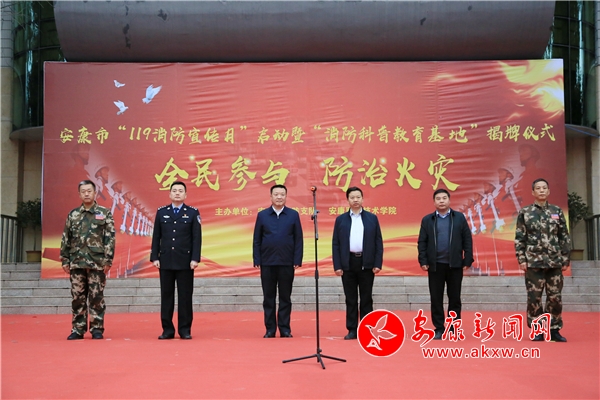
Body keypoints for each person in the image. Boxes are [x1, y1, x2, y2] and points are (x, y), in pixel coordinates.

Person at [514, 178, 570, 342]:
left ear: (549, 191)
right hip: (533, 262)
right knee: (534, 298)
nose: (541, 190)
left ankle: (554, 329)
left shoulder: (556, 211)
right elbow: (520, 238)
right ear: (533, 192)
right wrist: (521, 259)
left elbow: (564, 236)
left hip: (554, 262)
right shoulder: (525, 212)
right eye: (538, 188)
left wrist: (565, 259)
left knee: (555, 298)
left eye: (544, 188)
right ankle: (537, 330)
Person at [61, 180, 116, 340]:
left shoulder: (104, 213)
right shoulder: (73, 214)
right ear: (79, 194)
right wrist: (65, 259)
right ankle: (78, 329)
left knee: (96, 296)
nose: (86, 194)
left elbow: (110, 238)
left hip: (97, 262)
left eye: (89, 191)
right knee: (77, 297)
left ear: (95, 193)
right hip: (77, 261)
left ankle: (97, 328)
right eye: (83, 191)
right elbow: (66, 238)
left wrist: (108, 260)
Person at [417, 188, 473, 340]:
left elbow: (467, 239)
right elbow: (422, 242)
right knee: (436, 298)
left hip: (455, 265)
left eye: (444, 198)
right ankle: (439, 328)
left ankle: (454, 327)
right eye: (438, 199)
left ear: (449, 200)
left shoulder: (459, 218)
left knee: (454, 298)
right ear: (434, 202)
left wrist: (468, 259)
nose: (441, 201)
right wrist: (423, 260)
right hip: (435, 265)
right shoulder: (427, 220)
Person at [150, 181, 202, 340]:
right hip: (166, 260)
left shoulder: (192, 213)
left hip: (185, 261)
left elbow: (196, 238)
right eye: (174, 191)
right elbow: (156, 236)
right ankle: (167, 329)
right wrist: (155, 256)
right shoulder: (161, 212)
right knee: (166, 296)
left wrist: (195, 258)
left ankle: (185, 329)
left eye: (180, 191)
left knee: (185, 297)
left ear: (185, 195)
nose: (177, 193)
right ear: (169, 194)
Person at [332, 186, 383, 340]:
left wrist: (377, 263)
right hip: (348, 263)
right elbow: (336, 244)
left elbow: (378, 242)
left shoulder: (371, 218)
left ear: (362, 199)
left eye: (358, 197)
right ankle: (352, 329)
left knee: (366, 298)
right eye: (352, 197)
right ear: (347, 200)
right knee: (351, 298)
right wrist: (337, 265)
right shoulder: (341, 220)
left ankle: (367, 329)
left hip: (366, 263)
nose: (355, 200)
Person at [253, 184, 303, 338]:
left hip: (287, 262)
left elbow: (298, 239)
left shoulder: (293, 215)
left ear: (286, 196)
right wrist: (257, 258)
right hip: (267, 262)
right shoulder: (262, 215)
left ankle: (285, 328)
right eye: (276, 194)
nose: (279, 197)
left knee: (285, 297)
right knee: (268, 297)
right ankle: (270, 329)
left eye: (282, 194)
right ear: (271, 197)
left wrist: (297, 259)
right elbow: (257, 239)